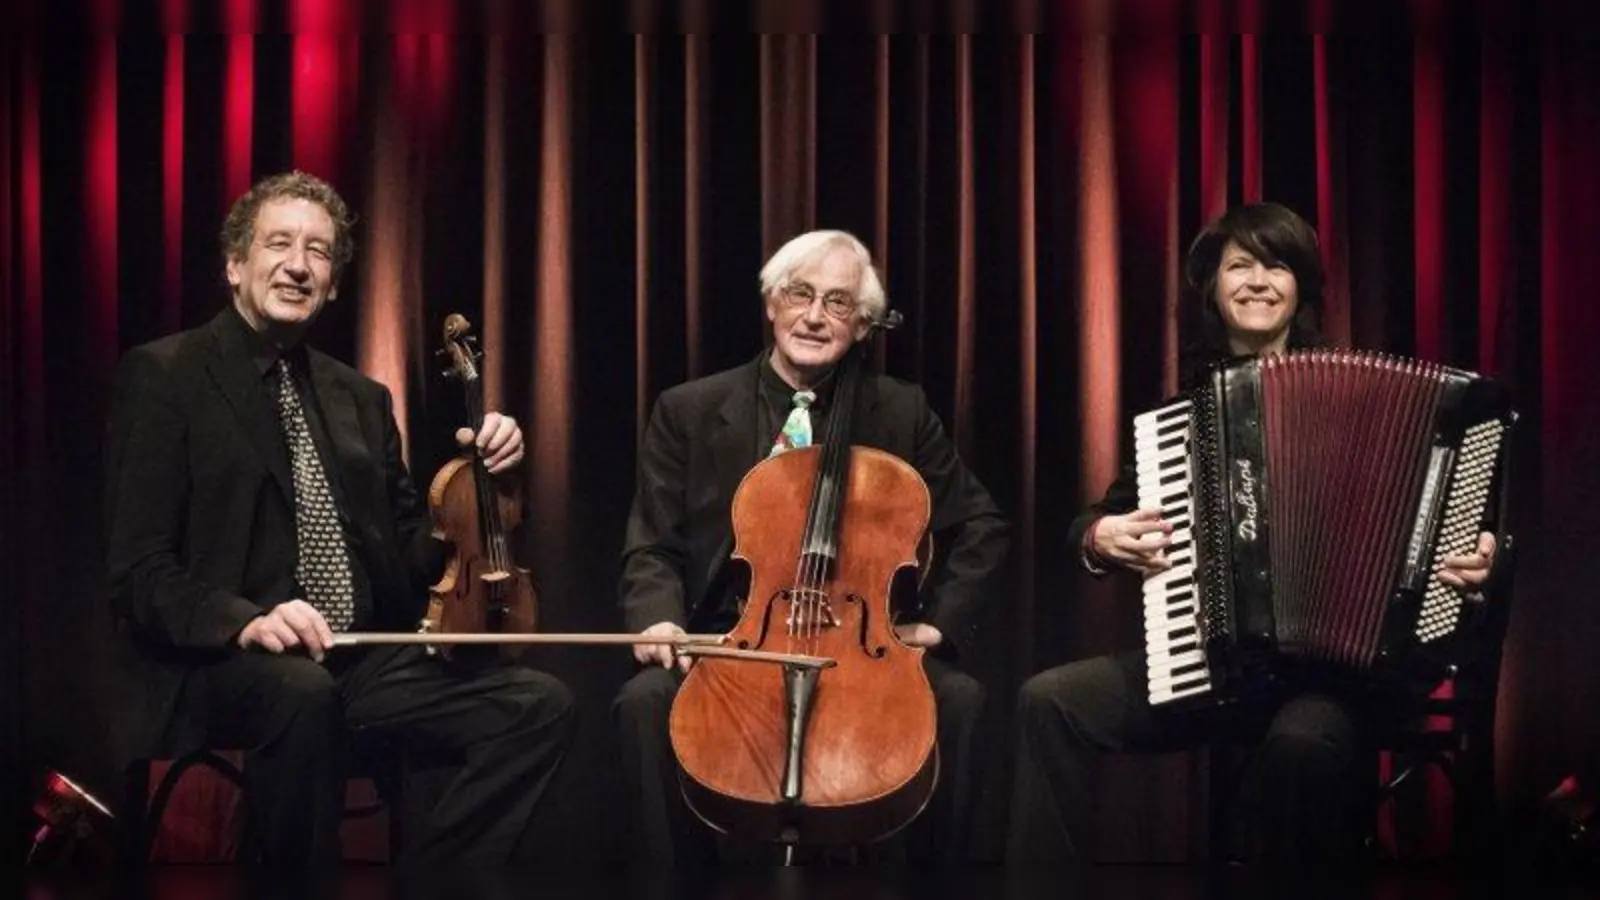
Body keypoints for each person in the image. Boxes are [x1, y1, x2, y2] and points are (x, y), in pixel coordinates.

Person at [105, 171, 575, 868]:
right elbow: (141, 573)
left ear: (332, 284)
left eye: (319, 253)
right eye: (279, 244)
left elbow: (416, 556)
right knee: (300, 693)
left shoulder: (360, 397)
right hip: (219, 664)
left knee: (540, 703)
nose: (298, 265)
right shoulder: (166, 376)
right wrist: (246, 619)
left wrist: (486, 485)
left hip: (357, 661)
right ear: (235, 264)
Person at [1007, 202, 1501, 864]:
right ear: (1212, 287)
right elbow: (1092, 525)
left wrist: (1475, 555)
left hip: (1339, 686)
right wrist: (1100, 538)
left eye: (1279, 266)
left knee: (1301, 746)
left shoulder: (1357, 397)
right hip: (1210, 669)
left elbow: (1453, 521)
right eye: (1240, 266)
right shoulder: (1183, 419)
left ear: (1301, 290)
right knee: (1051, 702)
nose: (1259, 281)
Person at [612, 229, 1010, 865]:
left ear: (861, 325)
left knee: (960, 701)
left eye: (839, 303)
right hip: (728, 643)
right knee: (643, 704)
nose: (816, 317)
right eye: (801, 294)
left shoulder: (900, 411)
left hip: (863, 646)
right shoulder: (689, 409)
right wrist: (657, 616)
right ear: (772, 303)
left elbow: (982, 524)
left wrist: (937, 624)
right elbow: (652, 544)